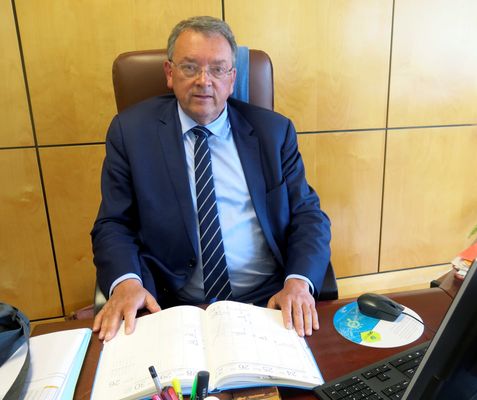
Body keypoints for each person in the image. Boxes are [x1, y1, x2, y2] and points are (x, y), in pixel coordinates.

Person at [91, 16, 331, 342]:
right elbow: (113, 224)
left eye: (218, 69)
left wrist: (298, 282)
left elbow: (308, 215)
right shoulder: (131, 133)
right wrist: (127, 282)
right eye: (190, 67)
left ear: (232, 80)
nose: (204, 81)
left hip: (269, 303)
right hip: (172, 306)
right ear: (169, 73)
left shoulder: (274, 133)